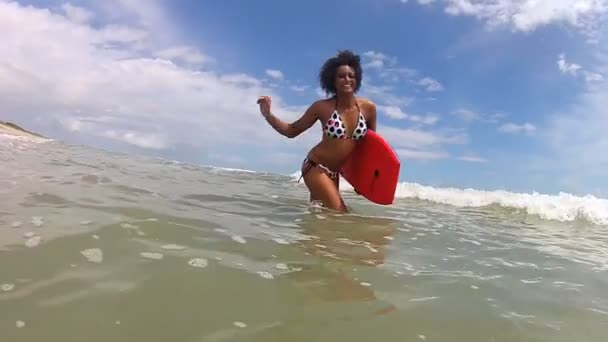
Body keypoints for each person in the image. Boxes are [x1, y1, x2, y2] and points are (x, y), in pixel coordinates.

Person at [257, 50, 377, 212]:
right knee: (340, 214)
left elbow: (369, 148)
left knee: (321, 219)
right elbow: (291, 131)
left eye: (351, 75)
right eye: (341, 76)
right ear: (332, 81)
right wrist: (268, 115)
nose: (347, 79)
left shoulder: (369, 108)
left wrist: (362, 179)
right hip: (315, 167)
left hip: (334, 174)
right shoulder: (322, 107)